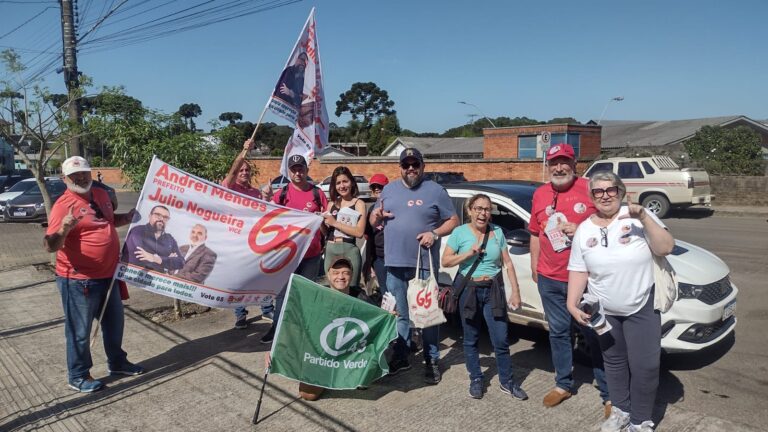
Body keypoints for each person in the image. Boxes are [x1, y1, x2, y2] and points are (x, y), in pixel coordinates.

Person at [567, 171, 673, 432]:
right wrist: (572, 304)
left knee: (645, 366)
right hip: (604, 310)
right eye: (598, 191)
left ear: (620, 191)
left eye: (610, 189)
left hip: (641, 306)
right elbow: (579, 269)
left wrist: (645, 217)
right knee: (613, 363)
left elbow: (665, 247)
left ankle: (640, 420)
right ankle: (621, 411)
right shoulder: (584, 228)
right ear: (591, 196)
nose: (605, 195)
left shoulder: (637, 218)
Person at [44, 156, 144, 393]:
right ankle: (77, 375)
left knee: (114, 324)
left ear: (91, 173)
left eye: (84, 173)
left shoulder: (101, 195)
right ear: (64, 179)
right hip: (79, 281)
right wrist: (64, 229)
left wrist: (126, 219)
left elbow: (108, 222)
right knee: (79, 331)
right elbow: (50, 246)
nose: (81, 178)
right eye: (74, 175)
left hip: (109, 275)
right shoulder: (63, 205)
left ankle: (117, 362)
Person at [528, 143, 611, 415]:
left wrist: (583, 228)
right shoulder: (540, 194)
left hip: (585, 279)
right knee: (559, 333)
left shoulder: (590, 188)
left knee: (595, 333)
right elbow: (535, 233)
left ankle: (610, 394)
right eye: (554, 162)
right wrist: (534, 265)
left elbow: (611, 223)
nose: (559, 167)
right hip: (549, 279)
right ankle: (563, 384)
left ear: (574, 164)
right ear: (548, 165)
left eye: (564, 162)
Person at [369, 147, 459, 384]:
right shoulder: (388, 190)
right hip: (394, 263)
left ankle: (431, 360)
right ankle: (403, 355)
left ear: (422, 166)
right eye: (406, 165)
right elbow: (373, 219)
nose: (410, 169)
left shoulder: (436, 191)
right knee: (400, 314)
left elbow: (453, 220)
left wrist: (434, 233)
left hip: (423, 264)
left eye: (415, 164)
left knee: (426, 316)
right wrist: (376, 216)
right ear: (399, 167)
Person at [441, 193, 528, 400]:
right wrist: (467, 255)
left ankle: (506, 381)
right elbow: (446, 261)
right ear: (470, 210)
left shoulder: (497, 232)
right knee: (471, 338)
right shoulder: (459, 233)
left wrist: (515, 291)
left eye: (487, 209)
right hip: (469, 290)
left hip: (493, 290)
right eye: (478, 208)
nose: (483, 213)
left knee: (501, 337)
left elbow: (508, 263)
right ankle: (476, 379)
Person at [261, 154, 327, 344]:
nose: (298, 173)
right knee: (283, 294)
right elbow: (269, 218)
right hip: (287, 255)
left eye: (301, 169)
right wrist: (265, 199)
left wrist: (321, 220)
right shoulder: (281, 194)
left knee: (306, 293)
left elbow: (327, 221)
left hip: (311, 254)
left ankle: (304, 329)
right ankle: (277, 328)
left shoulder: (317, 193)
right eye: (294, 169)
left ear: (307, 170)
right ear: (289, 172)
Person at [221, 139, 263, 329]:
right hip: (235, 242)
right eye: (241, 170)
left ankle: (267, 308)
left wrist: (268, 198)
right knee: (238, 280)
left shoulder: (256, 192)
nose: (244, 172)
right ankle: (240, 314)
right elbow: (231, 171)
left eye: (247, 170)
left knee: (259, 275)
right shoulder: (230, 188)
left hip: (254, 242)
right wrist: (244, 151)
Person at [322, 166, 366, 295]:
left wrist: (335, 223)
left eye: (345, 181)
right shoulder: (331, 204)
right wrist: (320, 223)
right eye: (338, 183)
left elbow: (359, 232)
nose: (342, 186)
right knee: (333, 290)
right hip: (330, 249)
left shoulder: (359, 203)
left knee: (351, 290)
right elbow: (326, 232)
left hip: (349, 249)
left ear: (351, 182)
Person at [122, 205, 185, 274]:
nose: (161, 219)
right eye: (158, 215)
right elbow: (136, 257)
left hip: (158, 281)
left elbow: (181, 262)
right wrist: (167, 259)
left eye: (165, 217)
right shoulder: (137, 231)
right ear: (150, 216)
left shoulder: (170, 239)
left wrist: (155, 258)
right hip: (132, 277)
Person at [362, 173, 389, 300]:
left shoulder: (395, 207)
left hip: (394, 257)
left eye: (380, 186)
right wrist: (370, 262)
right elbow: (368, 236)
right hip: (379, 258)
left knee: (397, 290)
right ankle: (390, 317)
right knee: (385, 291)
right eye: (374, 187)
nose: (377, 189)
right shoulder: (371, 209)